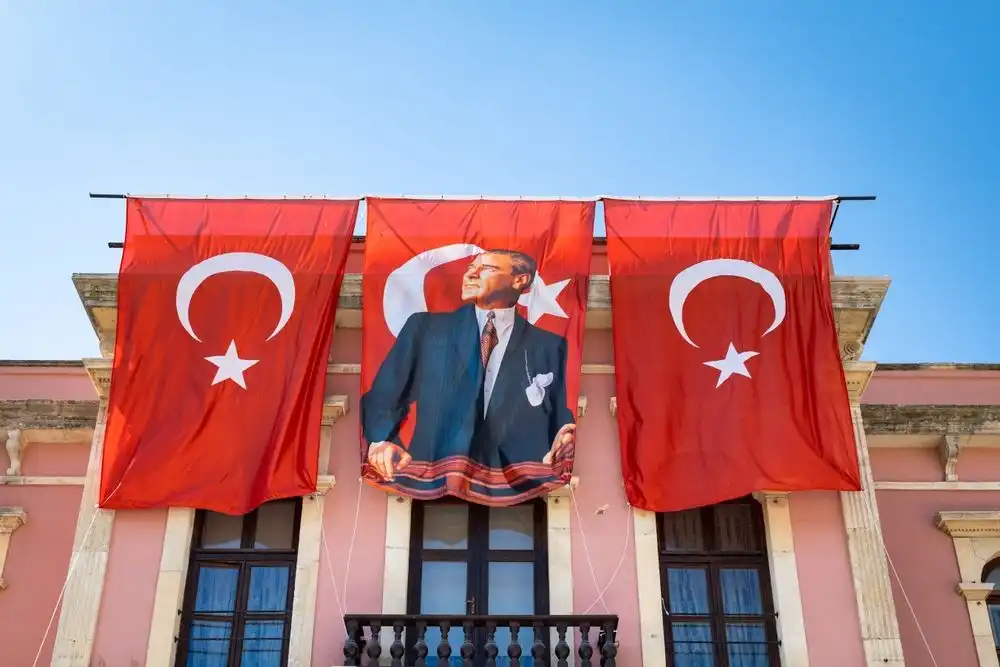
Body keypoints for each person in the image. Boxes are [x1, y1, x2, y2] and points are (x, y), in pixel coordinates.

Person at [361, 249, 576, 488]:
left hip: (518, 487)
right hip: (435, 482)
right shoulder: (426, 330)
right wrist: (383, 440)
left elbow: (557, 407)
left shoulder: (549, 345)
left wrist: (562, 434)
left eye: (486, 268)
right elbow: (385, 395)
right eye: (470, 268)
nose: (470, 275)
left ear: (520, 279)